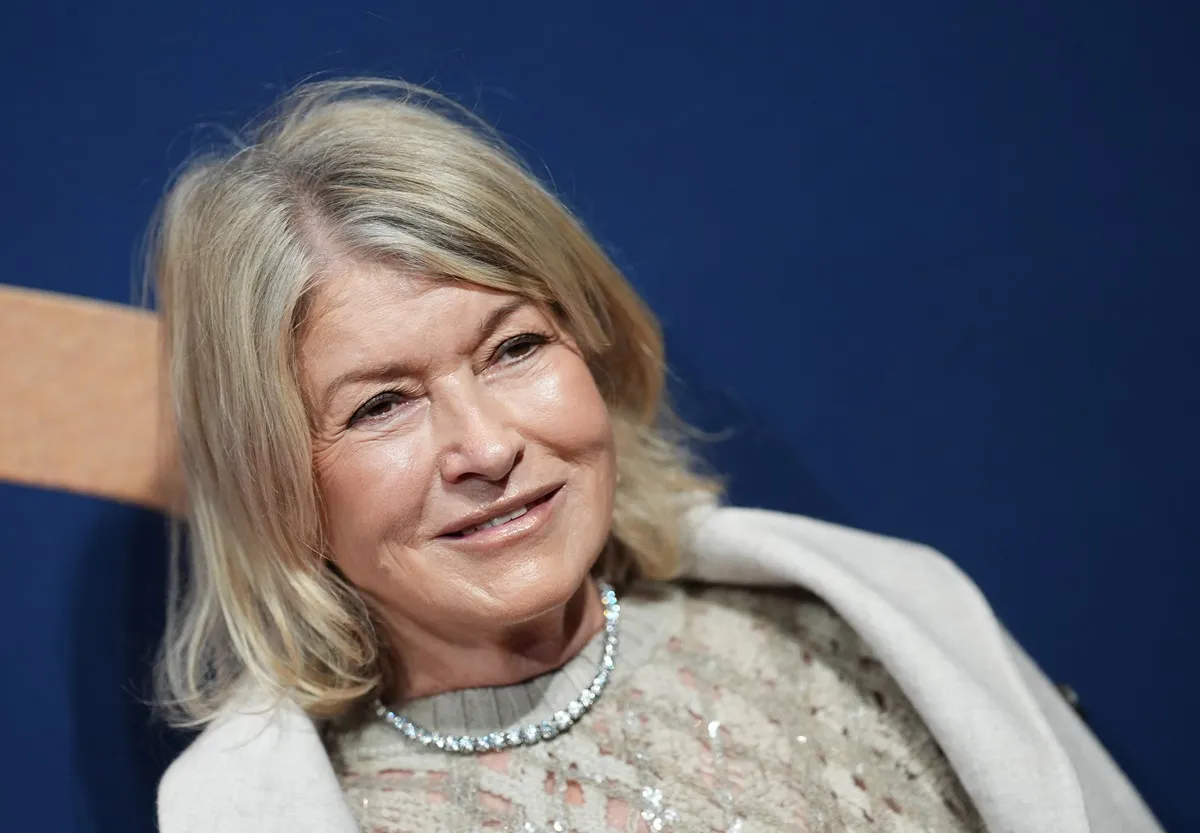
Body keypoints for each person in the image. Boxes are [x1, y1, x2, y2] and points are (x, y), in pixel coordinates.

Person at [149, 78, 1161, 833]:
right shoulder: (286, 807)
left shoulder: (870, 631)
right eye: (381, 405)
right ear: (274, 478)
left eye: (514, 347)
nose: (487, 444)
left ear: (593, 344)